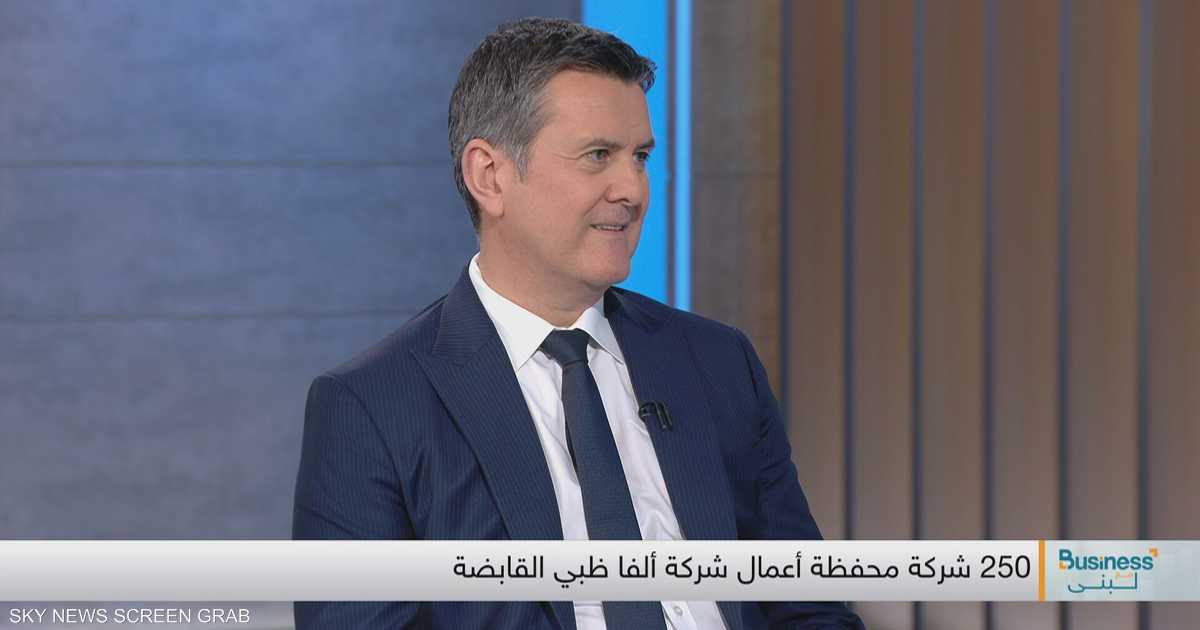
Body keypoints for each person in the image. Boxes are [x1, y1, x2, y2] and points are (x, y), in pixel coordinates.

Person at [293, 17, 865, 630]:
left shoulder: (718, 362)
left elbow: (808, 606)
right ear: (489, 176)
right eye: (598, 156)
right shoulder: (373, 407)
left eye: (640, 157)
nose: (633, 189)